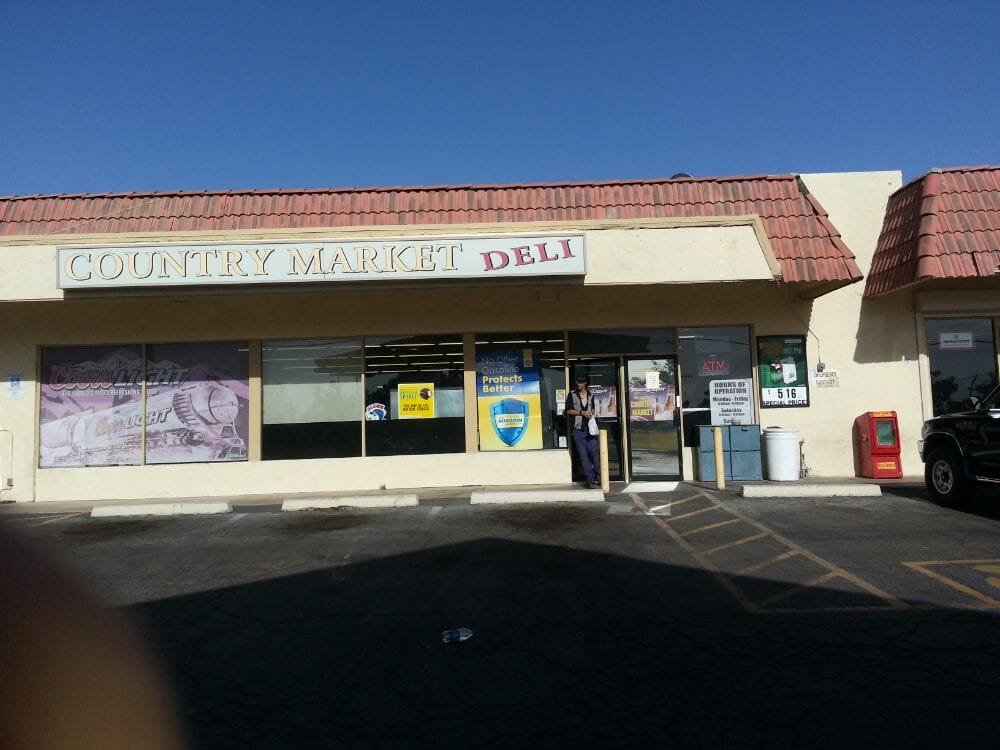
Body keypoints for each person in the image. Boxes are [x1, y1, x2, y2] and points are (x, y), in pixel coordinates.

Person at [565, 375, 601, 489]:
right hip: (578, 428)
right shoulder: (572, 394)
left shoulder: (591, 394)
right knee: (583, 455)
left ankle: (598, 476)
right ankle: (589, 478)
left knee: (594, 452)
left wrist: (591, 412)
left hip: (590, 429)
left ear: (585, 383)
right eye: (577, 383)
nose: (578, 385)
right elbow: (568, 410)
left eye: (580, 383)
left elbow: (594, 407)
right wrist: (582, 413)